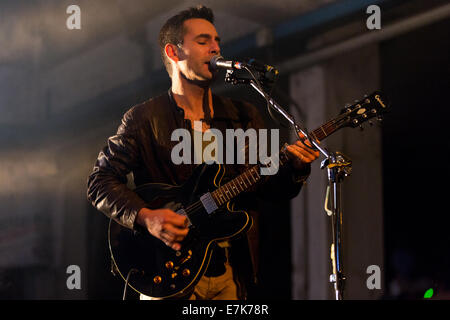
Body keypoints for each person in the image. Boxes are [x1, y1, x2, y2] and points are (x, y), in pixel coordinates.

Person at [87, 5, 319, 300]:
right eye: (203, 41)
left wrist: (295, 167)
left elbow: (270, 186)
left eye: (217, 40)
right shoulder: (144, 118)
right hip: (167, 270)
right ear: (174, 53)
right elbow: (100, 182)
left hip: (231, 270)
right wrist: (147, 217)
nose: (216, 48)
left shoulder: (242, 116)